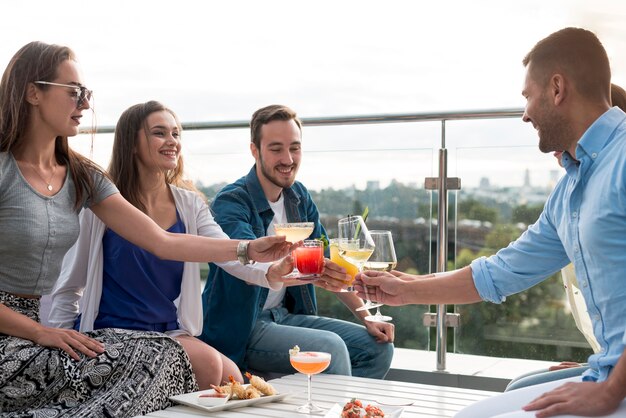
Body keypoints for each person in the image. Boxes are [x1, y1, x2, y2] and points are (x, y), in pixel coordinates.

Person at [0, 42, 293, 417]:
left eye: (86, 94)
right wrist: (42, 332)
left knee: (172, 357)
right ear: (32, 92)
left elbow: (162, 241)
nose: (85, 104)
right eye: (74, 92)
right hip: (16, 338)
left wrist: (249, 250)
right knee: (171, 360)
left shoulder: (82, 176)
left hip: (40, 334)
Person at [356, 27, 626, 417]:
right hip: (607, 375)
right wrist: (406, 290)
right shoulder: (570, 189)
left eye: (528, 96)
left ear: (556, 88)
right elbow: (501, 271)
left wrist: (608, 392)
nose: (525, 113)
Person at [47, 101, 295, 390]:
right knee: (210, 366)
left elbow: (225, 252)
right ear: (132, 143)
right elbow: (70, 285)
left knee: (232, 376)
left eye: (176, 134)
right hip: (110, 333)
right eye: (159, 133)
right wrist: (58, 349)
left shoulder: (189, 204)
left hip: (167, 331)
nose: (172, 142)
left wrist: (270, 273)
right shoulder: (102, 206)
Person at [200, 104, 395, 379]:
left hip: (284, 316)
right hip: (244, 327)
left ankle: (343, 407)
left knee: (377, 348)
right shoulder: (232, 201)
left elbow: (332, 265)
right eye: (276, 149)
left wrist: (367, 316)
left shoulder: (298, 197)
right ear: (255, 150)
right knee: (331, 348)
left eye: (295, 148)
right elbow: (242, 259)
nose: (288, 159)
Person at [505, 83, 626, 392]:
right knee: (520, 386)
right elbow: (508, 267)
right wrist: (598, 362)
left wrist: (607, 389)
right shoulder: (568, 193)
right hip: (610, 361)